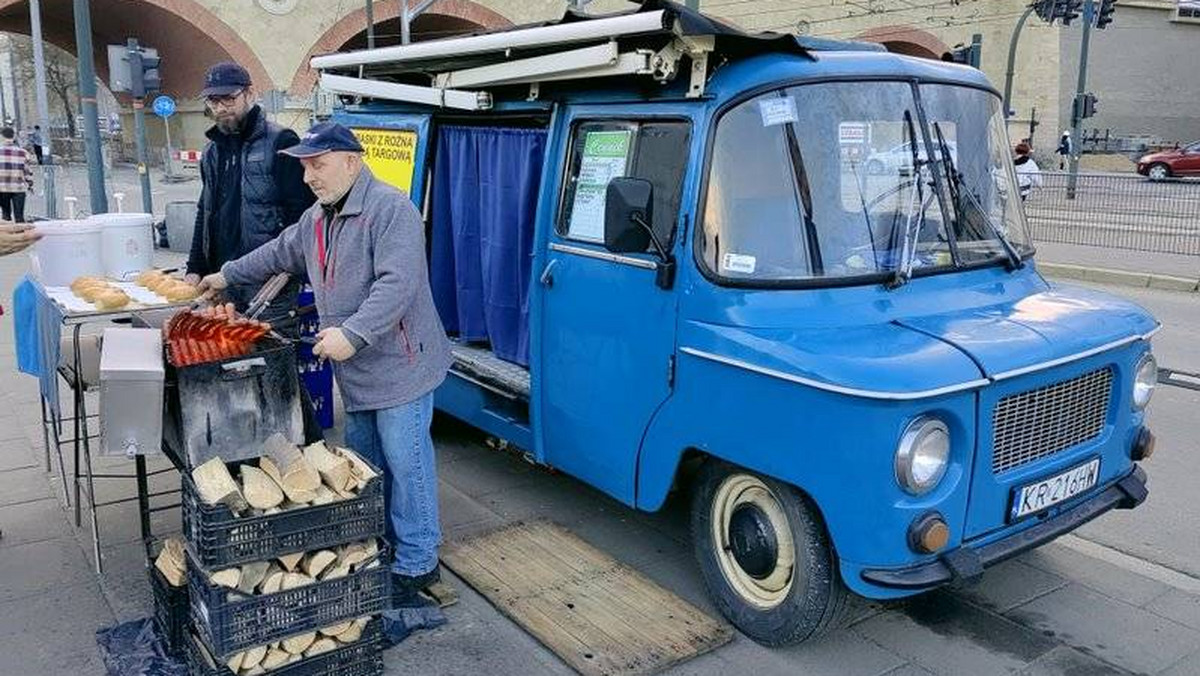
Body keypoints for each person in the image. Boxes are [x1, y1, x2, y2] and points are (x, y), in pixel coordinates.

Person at [198, 122, 454, 615]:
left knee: (408, 464)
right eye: (304, 166)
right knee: (365, 465)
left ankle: (420, 561)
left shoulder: (390, 209)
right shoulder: (318, 216)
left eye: (318, 164)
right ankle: (380, 544)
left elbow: (397, 285)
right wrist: (224, 274)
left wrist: (352, 333)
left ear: (351, 161)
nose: (309, 176)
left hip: (402, 363)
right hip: (358, 372)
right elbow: (278, 252)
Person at [184, 62, 315, 313]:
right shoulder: (212, 151)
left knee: (271, 348)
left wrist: (285, 270)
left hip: (268, 281)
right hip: (221, 279)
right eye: (213, 101)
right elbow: (205, 211)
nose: (221, 108)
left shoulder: (281, 141)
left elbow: (301, 216)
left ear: (249, 94)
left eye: (229, 99)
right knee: (227, 349)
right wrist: (195, 267)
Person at [0, 128, 32, 222]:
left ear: (1, 136)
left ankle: (9, 235)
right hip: (18, 188)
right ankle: (21, 233)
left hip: (2, 189)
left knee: (6, 215)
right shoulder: (23, 152)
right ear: (14, 137)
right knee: (19, 216)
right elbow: (27, 172)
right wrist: (30, 184)